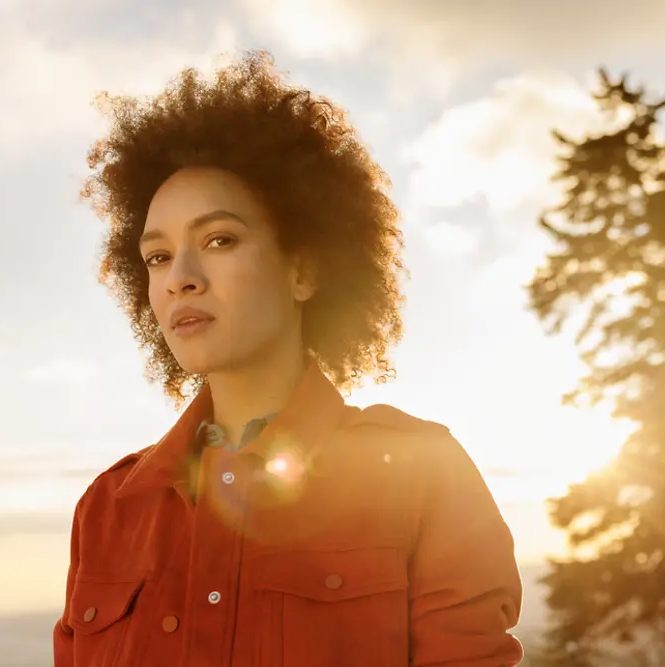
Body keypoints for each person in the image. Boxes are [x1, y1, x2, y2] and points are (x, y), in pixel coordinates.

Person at [52, 51, 523, 667]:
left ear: (302, 269)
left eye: (219, 240)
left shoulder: (421, 477)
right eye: (158, 256)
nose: (180, 279)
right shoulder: (107, 511)